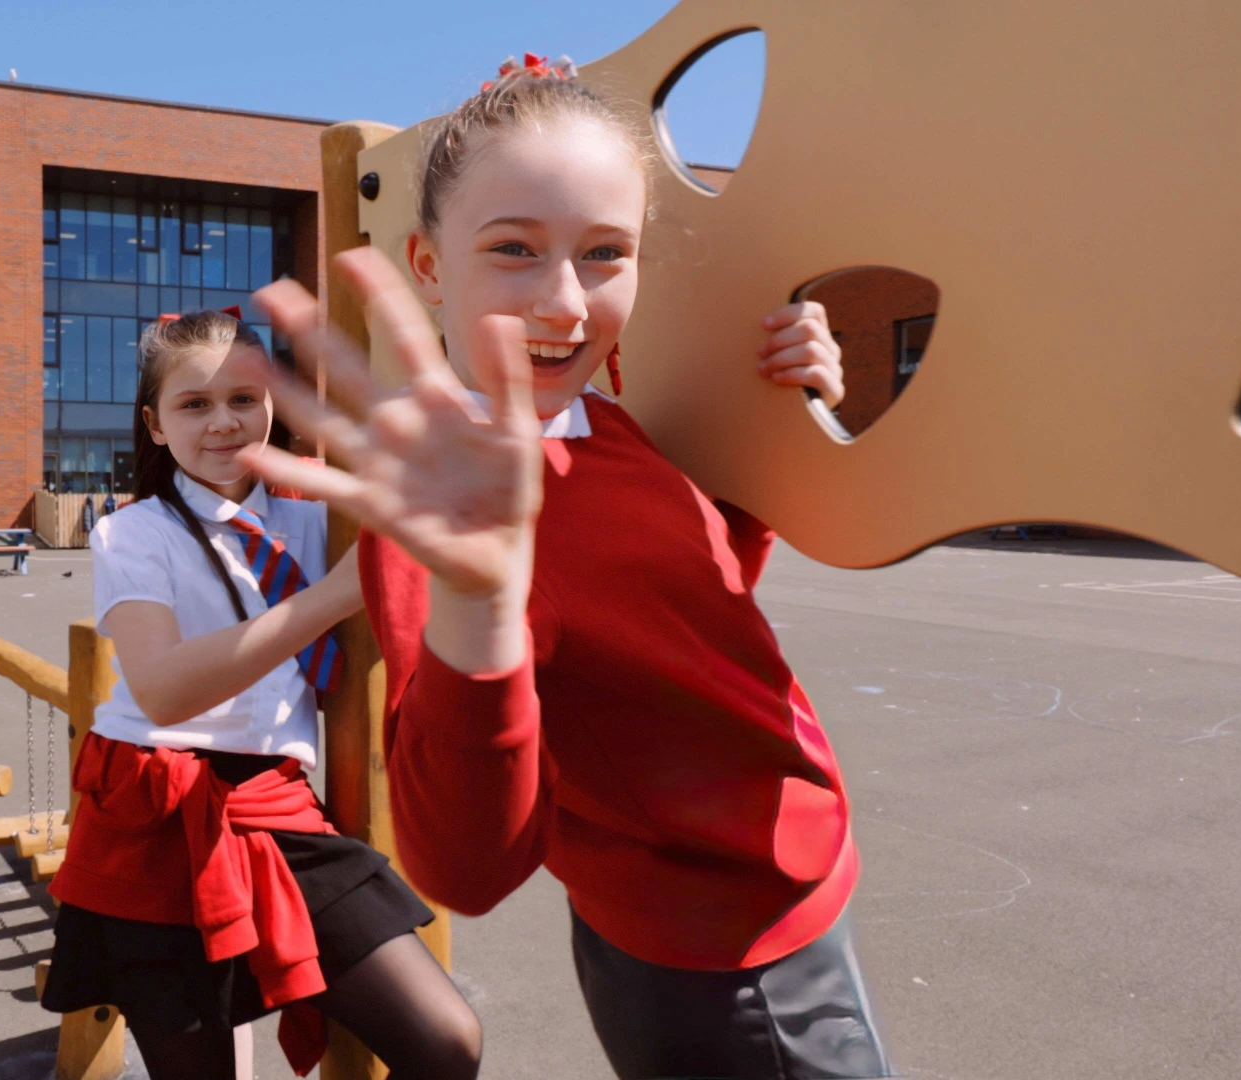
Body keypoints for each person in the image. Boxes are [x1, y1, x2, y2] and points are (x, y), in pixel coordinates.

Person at [242, 61, 893, 1080]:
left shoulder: (605, 421)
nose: (564, 301)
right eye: (513, 250)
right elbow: (463, 865)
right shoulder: (445, 512)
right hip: (722, 955)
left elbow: (675, 602)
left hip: (773, 888)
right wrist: (480, 599)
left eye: (604, 254)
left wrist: (784, 414)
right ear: (426, 263)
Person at [39, 309, 481, 1080]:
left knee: (446, 1041)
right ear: (153, 423)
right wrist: (333, 597)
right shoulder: (135, 532)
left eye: (245, 399)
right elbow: (165, 689)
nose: (223, 423)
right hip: (154, 814)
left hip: (279, 806)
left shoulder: (323, 516)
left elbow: (445, 479)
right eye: (194, 404)